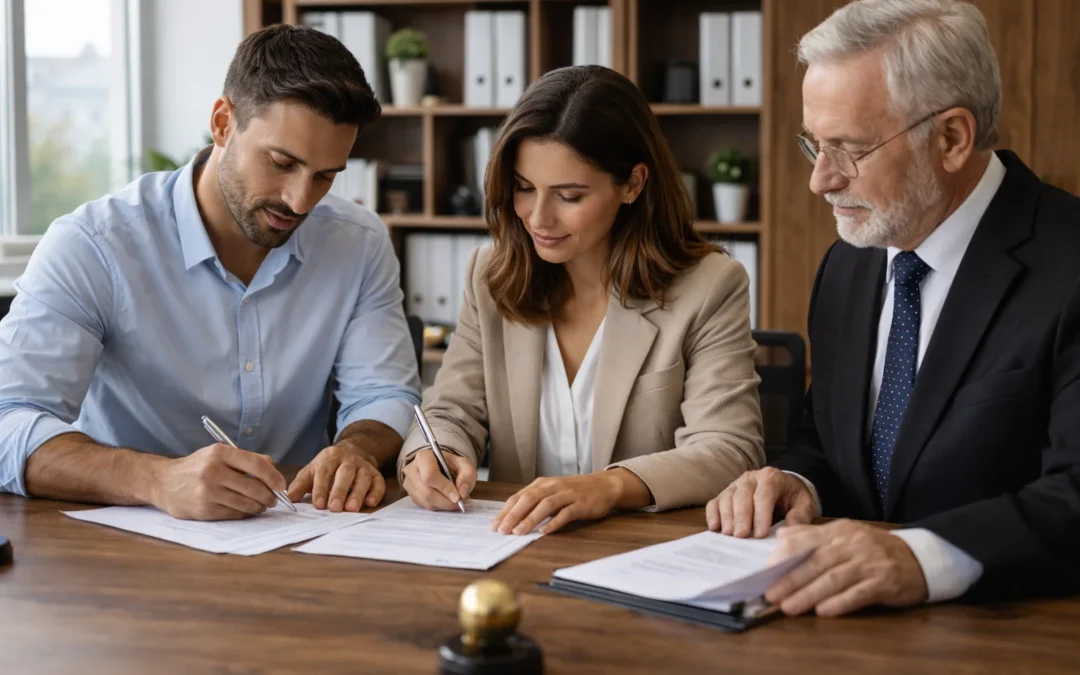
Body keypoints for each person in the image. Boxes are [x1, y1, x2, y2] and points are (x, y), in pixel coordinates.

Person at [707, 0, 1080, 616]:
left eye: (847, 149)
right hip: (840, 632)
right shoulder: (848, 264)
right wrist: (794, 483)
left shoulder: (1067, 263)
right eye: (813, 145)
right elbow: (825, 442)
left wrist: (921, 558)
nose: (820, 180)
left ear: (952, 138)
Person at [0, 25, 421, 520]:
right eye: (282, 162)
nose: (300, 199)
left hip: (300, 537)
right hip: (125, 548)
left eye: (325, 175)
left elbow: (385, 394)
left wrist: (358, 450)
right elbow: (9, 422)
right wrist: (154, 478)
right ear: (223, 123)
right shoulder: (94, 244)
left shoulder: (359, 242)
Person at [398, 65, 764, 535]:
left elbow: (730, 448)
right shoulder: (488, 275)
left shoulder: (711, 286)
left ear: (632, 184)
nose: (538, 218)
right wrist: (434, 452)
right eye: (525, 188)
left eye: (569, 195)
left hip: (642, 553)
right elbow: (451, 409)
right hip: (511, 546)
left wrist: (607, 487)